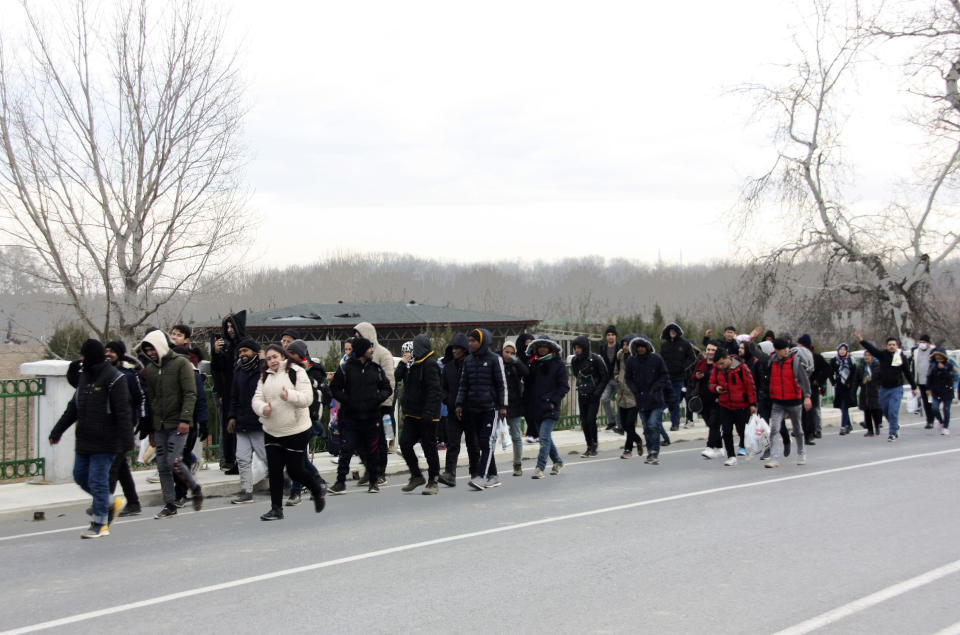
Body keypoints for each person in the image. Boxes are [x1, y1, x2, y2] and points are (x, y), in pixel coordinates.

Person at [49, 339, 132, 538]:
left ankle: (99, 523)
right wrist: (57, 431)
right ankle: (110, 501)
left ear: (91, 356)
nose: (81, 359)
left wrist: (127, 442)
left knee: (97, 481)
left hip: (106, 441)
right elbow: (73, 408)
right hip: (85, 440)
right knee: (79, 476)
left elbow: (123, 412)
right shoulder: (85, 377)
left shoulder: (114, 379)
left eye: (83, 355)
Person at [251, 344, 327, 520]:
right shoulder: (264, 377)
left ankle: (316, 490)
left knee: (295, 470)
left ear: (282, 357)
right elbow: (256, 399)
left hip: (295, 429)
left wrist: (290, 396)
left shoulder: (296, 372)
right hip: (272, 429)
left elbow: (308, 398)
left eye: (275, 357)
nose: (272, 361)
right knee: (275, 471)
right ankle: (276, 509)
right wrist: (263, 408)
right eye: (269, 358)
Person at [140, 330, 204, 518]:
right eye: (147, 350)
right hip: (160, 425)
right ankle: (170, 504)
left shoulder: (181, 363)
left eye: (152, 348)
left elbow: (190, 393)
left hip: (179, 424)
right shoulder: (150, 370)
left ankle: (195, 488)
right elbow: (151, 400)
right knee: (162, 465)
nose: (150, 353)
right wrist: (151, 428)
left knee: (173, 461)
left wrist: (185, 419)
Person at [329, 338, 393, 494]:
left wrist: (376, 399)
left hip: (371, 418)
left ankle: (373, 482)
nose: (372, 351)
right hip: (350, 418)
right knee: (346, 450)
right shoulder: (345, 369)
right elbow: (335, 388)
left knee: (372, 451)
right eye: (369, 348)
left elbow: (387, 388)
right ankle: (340, 482)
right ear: (362, 350)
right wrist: (348, 400)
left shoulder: (376, 369)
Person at [456, 328, 508, 490]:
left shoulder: (494, 359)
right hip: (473, 408)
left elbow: (502, 384)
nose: (470, 344)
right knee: (482, 444)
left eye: (473, 341)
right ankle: (493, 476)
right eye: (469, 341)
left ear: (482, 342)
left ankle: (480, 476)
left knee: (486, 443)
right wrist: (459, 404)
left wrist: (503, 406)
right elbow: (463, 384)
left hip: (490, 409)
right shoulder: (468, 361)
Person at [103, 341, 146, 516]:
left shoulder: (128, 375)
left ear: (119, 354)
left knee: (113, 466)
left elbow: (140, 398)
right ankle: (133, 503)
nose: (108, 354)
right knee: (121, 468)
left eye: (112, 351)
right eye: (106, 350)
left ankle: (104, 503)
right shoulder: (102, 373)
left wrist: (139, 421)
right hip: (108, 427)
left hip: (125, 426)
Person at [396, 334, 443, 494]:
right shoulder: (415, 364)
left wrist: (429, 412)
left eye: (416, 347)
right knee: (404, 444)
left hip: (427, 415)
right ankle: (416, 475)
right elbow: (401, 380)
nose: (413, 351)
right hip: (413, 414)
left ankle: (433, 480)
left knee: (429, 448)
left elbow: (435, 391)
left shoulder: (430, 364)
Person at [283, 339, 326, 506]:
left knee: (297, 459)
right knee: (299, 459)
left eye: (293, 353)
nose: (290, 357)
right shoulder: (286, 371)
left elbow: (318, 396)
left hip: (306, 421)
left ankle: (296, 493)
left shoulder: (311, 371)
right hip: (290, 421)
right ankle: (319, 483)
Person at [353, 322, 396, 486]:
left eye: (359, 336)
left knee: (379, 442)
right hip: (362, 407)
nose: (356, 339)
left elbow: (390, 381)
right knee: (360, 441)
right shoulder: (358, 356)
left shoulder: (383, 354)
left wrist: (385, 403)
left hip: (380, 405)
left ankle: (380, 473)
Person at [855, 329, 918, 441]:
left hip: (896, 389)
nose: (891, 346)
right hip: (884, 389)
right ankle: (895, 425)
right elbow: (872, 349)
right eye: (889, 345)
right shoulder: (883, 355)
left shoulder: (901, 357)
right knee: (885, 411)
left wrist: (914, 387)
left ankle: (892, 433)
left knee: (893, 411)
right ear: (886, 346)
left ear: (897, 346)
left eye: (893, 345)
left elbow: (907, 373)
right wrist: (861, 339)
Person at [226, 338, 266, 504]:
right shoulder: (238, 370)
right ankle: (246, 491)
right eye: (240, 352)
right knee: (242, 458)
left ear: (255, 353)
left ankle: (284, 482)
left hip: (259, 423)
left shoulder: (264, 370)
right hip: (242, 423)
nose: (242, 354)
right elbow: (233, 396)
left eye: (246, 351)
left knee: (266, 457)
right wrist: (231, 416)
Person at [524, 336, 569, 479]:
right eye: (540, 346)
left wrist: (553, 401)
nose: (542, 348)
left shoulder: (558, 364)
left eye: (545, 346)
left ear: (550, 348)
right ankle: (558, 462)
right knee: (546, 438)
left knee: (543, 437)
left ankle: (540, 467)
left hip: (550, 407)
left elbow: (564, 386)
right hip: (536, 408)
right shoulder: (533, 363)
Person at [765, 338, 812, 468]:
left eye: (787, 347)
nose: (786, 350)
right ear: (776, 350)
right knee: (774, 429)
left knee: (798, 429)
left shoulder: (795, 362)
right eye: (783, 348)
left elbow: (804, 381)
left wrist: (807, 397)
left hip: (794, 402)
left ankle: (801, 453)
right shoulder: (772, 362)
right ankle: (774, 458)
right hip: (777, 402)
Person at [707, 348, 757, 466]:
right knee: (726, 431)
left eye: (722, 363)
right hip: (725, 405)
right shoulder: (717, 369)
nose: (720, 366)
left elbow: (750, 386)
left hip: (741, 405)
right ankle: (731, 456)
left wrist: (752, 404)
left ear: (728, 358)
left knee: (742, 431)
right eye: (718, 364)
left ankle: (746, 448)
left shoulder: (742, 368)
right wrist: (716, 388)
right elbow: (710, 384)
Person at [211, 310, 247, 473]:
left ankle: (244, 461)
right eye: (228, 326)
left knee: (244, 428)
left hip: (243, 392)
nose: (230, 329)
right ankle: (230, 460)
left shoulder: (246, 344)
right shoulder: (225, 346)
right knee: (228, 427)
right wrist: (216, 353)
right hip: (227, 392)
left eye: (232, 326)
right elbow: (218, 370)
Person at [438, 333, 476, 487]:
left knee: (473, 444)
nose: (454, 351)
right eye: (453, 348)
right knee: (452, 444)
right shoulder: (448, 368)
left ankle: (475, 473)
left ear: (465, 350)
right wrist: (448, 401)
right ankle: (449, 474)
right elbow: (442, 389)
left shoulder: (472, 365)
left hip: (471, 412)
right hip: (453, 413)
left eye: (458, 348)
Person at [625, 335, 669, 465]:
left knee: (653, 425)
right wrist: (634, 389)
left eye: (643, 347)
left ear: (647, 347)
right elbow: (628, 378)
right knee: (646, 427)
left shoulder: (656, 359)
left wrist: (656, 387)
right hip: (641, 399)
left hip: (655, 399)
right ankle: (650, 451)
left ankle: (654, 452)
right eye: (638, 347)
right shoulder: (632, 361)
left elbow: (664, 375)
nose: (641, 349)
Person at [571, 335, 608, 457]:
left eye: (579, 347)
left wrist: (597, 392)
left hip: (594, 394)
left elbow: (604, 377)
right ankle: (588, 445)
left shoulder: (595, 359)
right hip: (582, 393)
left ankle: (594, 444)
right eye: (575, 347)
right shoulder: (575, 361)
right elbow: (577, 375)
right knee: (584, 421)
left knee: (591, 419)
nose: (577, 350)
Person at [500, 340, 529, 476]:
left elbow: (526, 373)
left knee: (516, 436)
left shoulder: (516, 365)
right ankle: (488, 466)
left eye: (512, 353)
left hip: (514, 405)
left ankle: (517, 464)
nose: (509, 355)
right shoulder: (497, 364)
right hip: (498, 406)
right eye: (507, 352)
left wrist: (516, 361)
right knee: (492, 438)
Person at [661, 322, 696, 432]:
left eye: (674, 331)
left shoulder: (684, 344)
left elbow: (692, 358)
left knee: (675, 399)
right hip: (666, 377)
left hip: (679, 377)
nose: (672, 332)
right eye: (670, 331)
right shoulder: (664, 345)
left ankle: (675, 423)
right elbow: (660, 360)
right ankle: (657, 421)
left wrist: (683, 367)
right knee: (665, 400)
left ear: (677, 332)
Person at [797, 334, 829, 444]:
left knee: (810, 412)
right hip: (799, 388)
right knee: (801, 412)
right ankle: (802, 433)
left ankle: (809, 434)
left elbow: (827, 369)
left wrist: (818, 380)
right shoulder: (797, 356)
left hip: (812, 389)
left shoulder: (816, 357)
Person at [615, 333, 642, 459]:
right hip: (621, 394)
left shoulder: (637, 358)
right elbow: (615, 370)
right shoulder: (620, 356)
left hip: (633, 395)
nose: (625, 347)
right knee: (625, 425)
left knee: (630, 423)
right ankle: (638, 440)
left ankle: (628, 449)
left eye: (627, 344)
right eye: (624, 344)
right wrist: (618, 378)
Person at [926, 347, 957, 435]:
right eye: (936, 356)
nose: (938, 358)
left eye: (940, 356)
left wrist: (943, 369)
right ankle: (941, 421)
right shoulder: (932, 365)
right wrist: (928, 388)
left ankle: (945, 427)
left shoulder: (949, 365)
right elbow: (929, 377)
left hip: (947, 390)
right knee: (934, 408)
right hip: (936, 390)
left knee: (946, 409)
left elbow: (951, 377)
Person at [515, 332, 538, 443]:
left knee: (533, 411)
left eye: (530, 343)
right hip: (522, 388)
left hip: (534, 387)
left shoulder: (535, 357)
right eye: (526, 343)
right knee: (526, 411)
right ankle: (533, 433)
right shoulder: (517, 357)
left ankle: (532, 433)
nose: (527, 346)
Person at [830, 343, 857, 435]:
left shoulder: (850, 360)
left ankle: (843, 426)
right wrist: (833, 382)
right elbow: (830, 372)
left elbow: (854, 373)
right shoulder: (834, 360)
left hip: (848, 386)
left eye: (844, 350)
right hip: (839, 385)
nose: (842, 351)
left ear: (847, 351)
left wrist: (850, 383)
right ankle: (848, 424)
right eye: (840, 349)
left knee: (845, 405)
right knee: (842, 407)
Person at [856, 350, 883, 437]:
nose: (867, 357)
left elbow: (881, 378)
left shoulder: (877, 365)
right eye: (865, 355)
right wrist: (853, 392)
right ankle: (870, 430)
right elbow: (856, 380)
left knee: (875, 411)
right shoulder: (861, 366)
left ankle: (877, 426)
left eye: (869, 355)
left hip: (874, 391)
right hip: (865, 392)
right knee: (867, 412)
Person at [911, 334, 936, 429]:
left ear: (928, 343)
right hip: (920, 381)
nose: (922, 344)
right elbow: (914, 365)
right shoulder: (916, 351)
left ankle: (934, 418)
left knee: (931, 402)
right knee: (925, 401)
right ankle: (929, 420)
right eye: (920, 342)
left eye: (924, 342)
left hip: (931, 381)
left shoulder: (933, 351)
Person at [599, 325, 621, 432]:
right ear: (606, 337)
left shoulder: (620, 347)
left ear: (615, 336)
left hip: (618, 379)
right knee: (604, 399)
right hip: (607, 379)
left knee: (619, 401)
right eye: (608, 335)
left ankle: (621, 424)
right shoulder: (603, 348)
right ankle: (611, 421)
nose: (610, 337)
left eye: (612, 335)